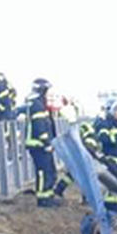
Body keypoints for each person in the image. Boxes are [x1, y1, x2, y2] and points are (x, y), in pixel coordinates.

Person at [24, 78, 70, 207]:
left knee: (49, 171)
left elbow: (48, 124)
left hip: (42, 145)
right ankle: (43, 199)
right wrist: (47, 143)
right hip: (39, 145)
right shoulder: (37, 105)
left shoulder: (40, 104)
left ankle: (48, 196)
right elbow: (40, 126)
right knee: (44, 172)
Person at [86, 99, 117, 214]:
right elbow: (104, 139)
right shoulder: (104, 124)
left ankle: (115, 207)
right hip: (108, 159)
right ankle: (111, 209)